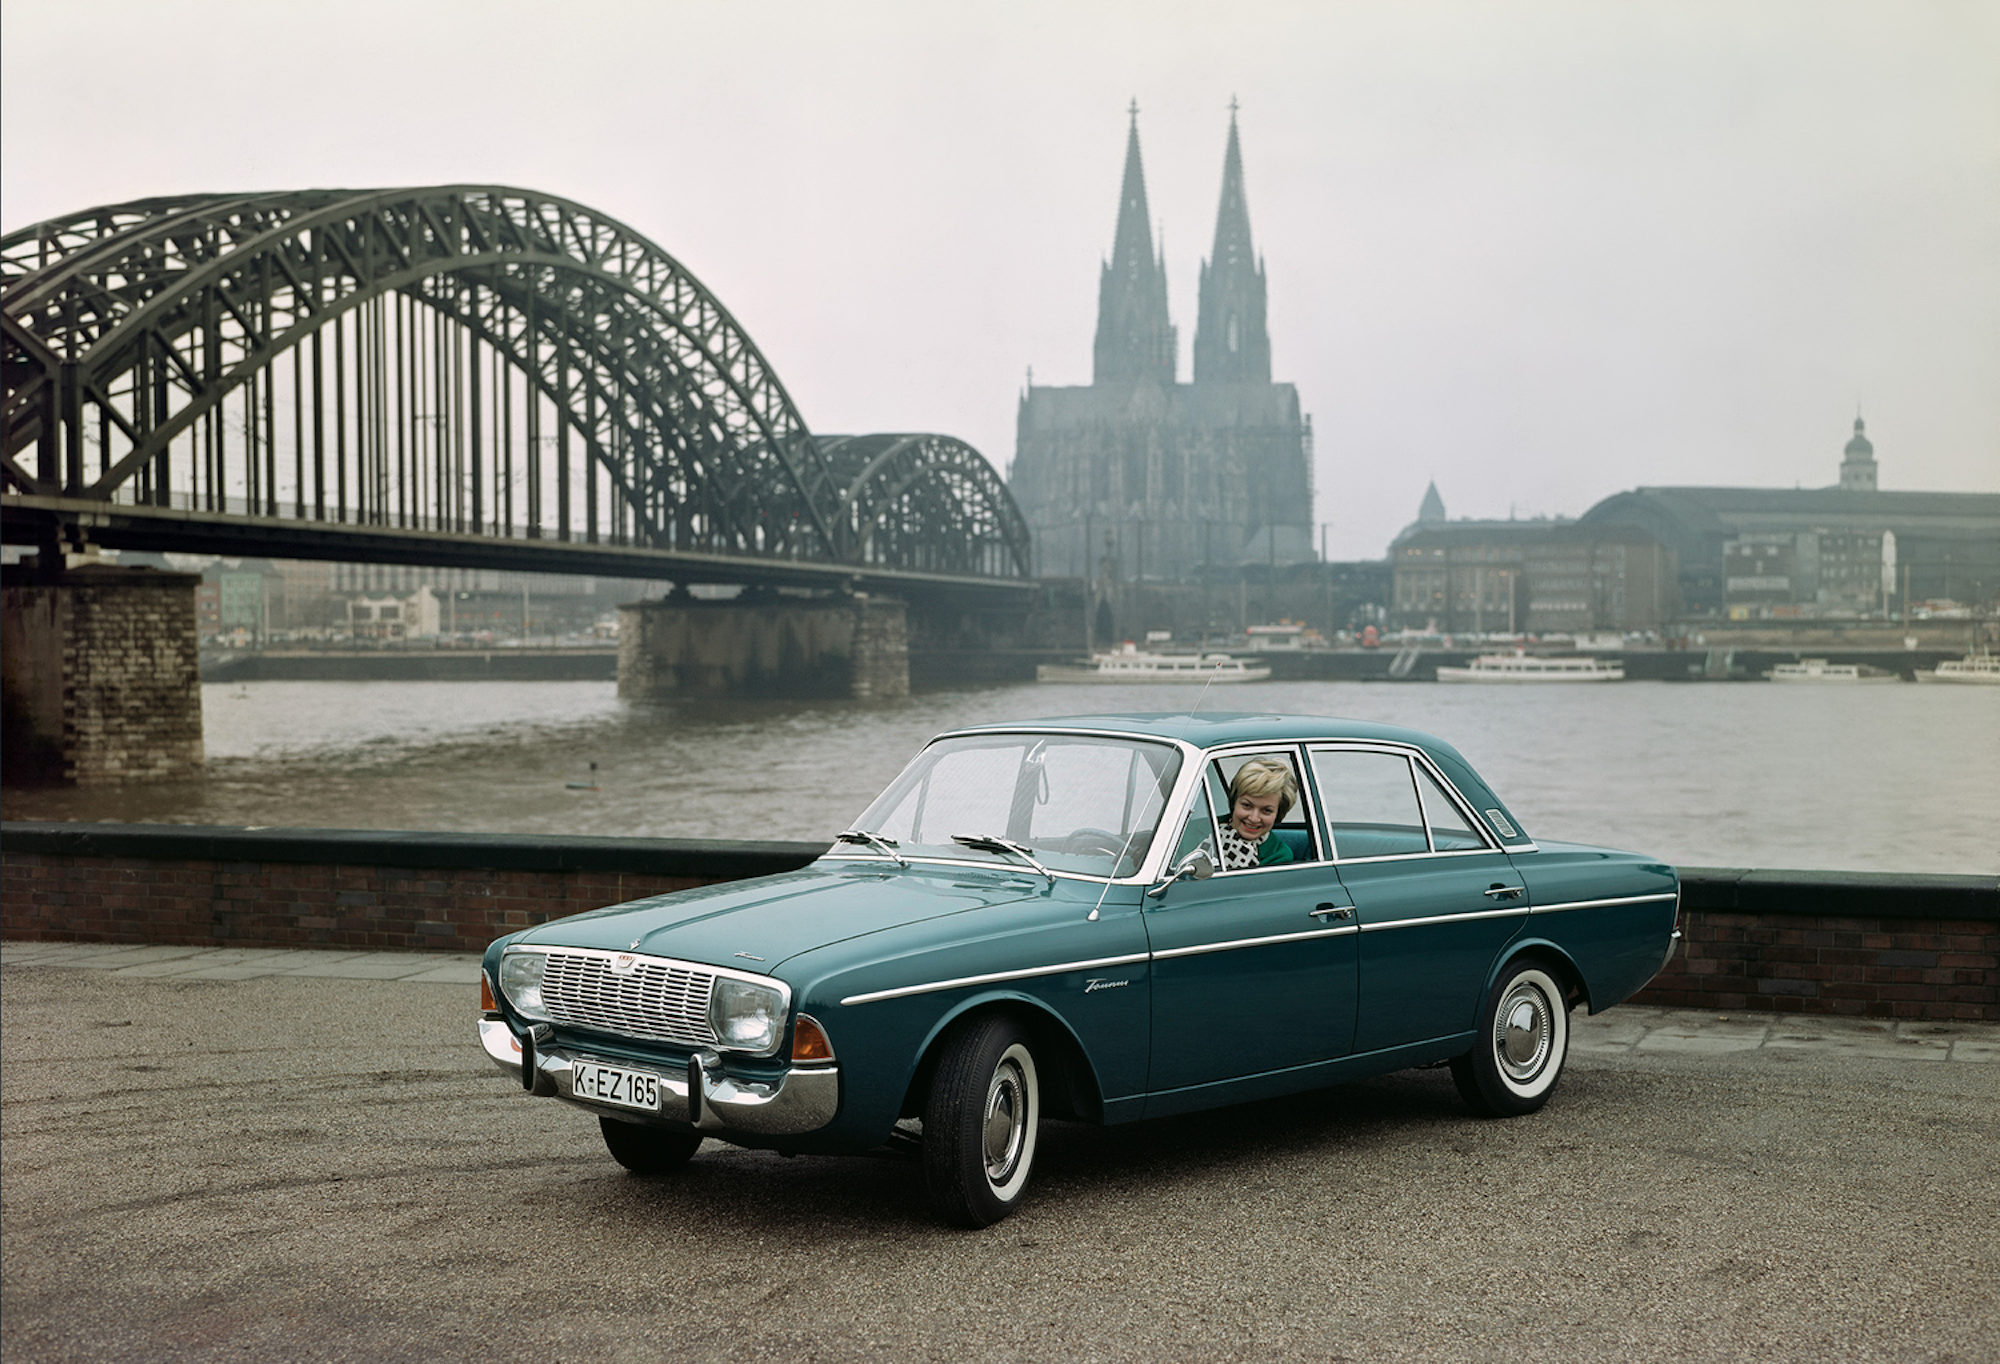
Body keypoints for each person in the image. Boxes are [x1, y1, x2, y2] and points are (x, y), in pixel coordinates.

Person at [1214, 755, 1298, 869]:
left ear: (1278, 814)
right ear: (1234, 802)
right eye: (1247, 805)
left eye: (1266, 811)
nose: (1254, 818)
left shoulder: (1280, 856)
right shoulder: (1200, 830)